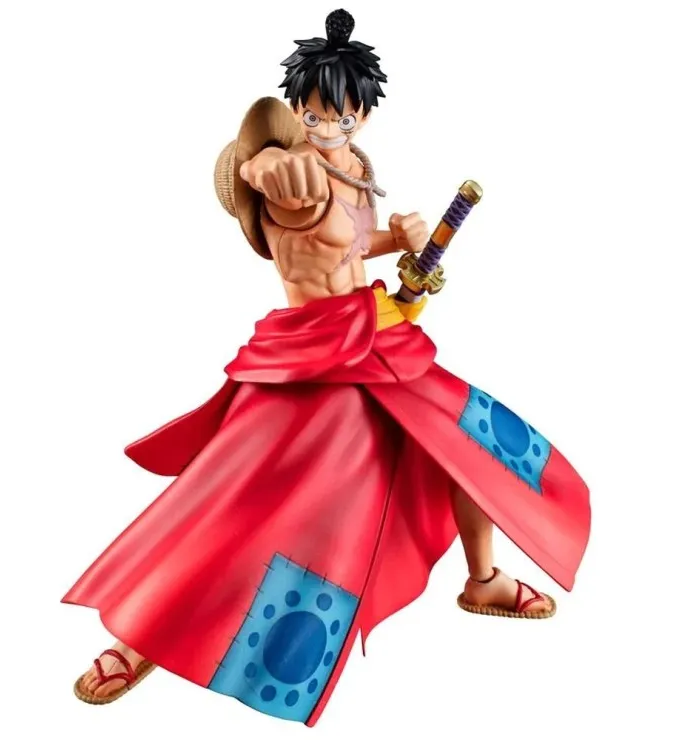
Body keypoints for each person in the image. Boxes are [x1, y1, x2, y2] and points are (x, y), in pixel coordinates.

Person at [64, 9, 590, 726]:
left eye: (341, 113)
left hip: (377, 336)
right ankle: (140, 636)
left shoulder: (357, 169)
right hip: (311, 356)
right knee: (233, 499)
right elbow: (259, 170)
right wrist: (263, 162)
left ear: (363, 113)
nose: (327, 125)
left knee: (467, 444)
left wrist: (399, 241)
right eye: (312, 113)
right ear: (295, 110)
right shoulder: (288, 174)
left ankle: (483, 579)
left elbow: (349, 247)